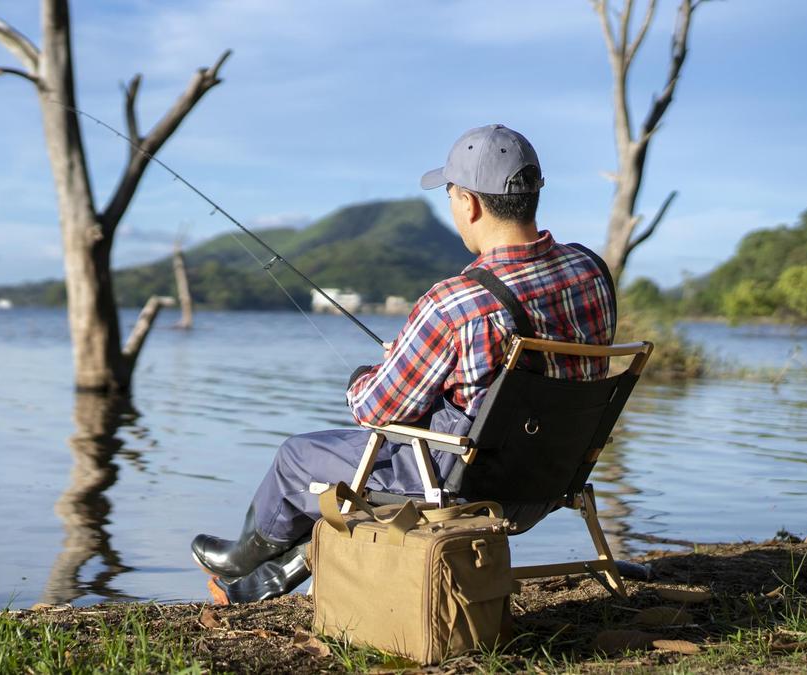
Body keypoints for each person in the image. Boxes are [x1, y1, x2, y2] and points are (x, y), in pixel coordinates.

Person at [191, 124, 617, 604]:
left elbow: (374, 410)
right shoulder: (591, 271)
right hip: (553, 479)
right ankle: (273, 575)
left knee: (295, 458)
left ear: (470, 204)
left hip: (463, 491)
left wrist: (366, 376)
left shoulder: (457, 302)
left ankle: (245, 558)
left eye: (452, 194)